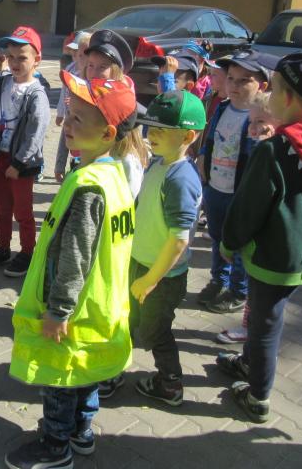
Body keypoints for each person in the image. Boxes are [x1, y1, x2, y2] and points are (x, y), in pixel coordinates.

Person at [5, 71, 137, 469]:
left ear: (108, 133)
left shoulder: (88, 187)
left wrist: (58, 310)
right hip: (100, 308)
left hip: (73, 311)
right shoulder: (114, 176)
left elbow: (75, 255)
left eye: (79, 118)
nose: (66, 123)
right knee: (85, 373)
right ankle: (82, 431)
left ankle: (55, 445)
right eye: (68, 113)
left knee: (60, 378)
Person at [216, 53, 302, 423]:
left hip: (271, 257)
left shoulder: (273, 149)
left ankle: (258, 396)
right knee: (265, 315)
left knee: (264, 327)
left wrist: (229, 242)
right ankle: (249, 363)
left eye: (274, 88)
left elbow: (248, 207)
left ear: (286, 97)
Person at [100, 91, 206, 404]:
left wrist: (150, 280)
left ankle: (170, 384)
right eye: (151, 128)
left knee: (155, 332)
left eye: (161, 130)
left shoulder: (180, 179)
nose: (151, 135)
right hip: (139, 263)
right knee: (127, 319)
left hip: (161, 278)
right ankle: (113, 369)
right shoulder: (159, 163)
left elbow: (179, 239)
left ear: (187, 136)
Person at [196, 50, 271, 315]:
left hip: (240, 194)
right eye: (231, 78)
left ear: (262, 85)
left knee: (238, 243)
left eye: (244, 80)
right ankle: (219, 280)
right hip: (215, 187)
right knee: (217, 238)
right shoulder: (223, 108)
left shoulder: (260, 118)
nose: (234, 85)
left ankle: (239, 291)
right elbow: (211, 138)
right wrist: (203, 156)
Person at [0, 26, 51, 277]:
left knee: (22, 211)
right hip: (0, 156)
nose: (15, 63)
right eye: (10, 57)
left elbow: (36, 132)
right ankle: (2, 247)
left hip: (22, 163)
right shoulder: (4, 82)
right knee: (1, 208)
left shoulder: (36, 94)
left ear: (36, 60)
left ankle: (28, 251)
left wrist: (18, 163)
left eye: (22, 58)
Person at [216, 92, 279, 345]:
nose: (253, 128)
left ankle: (254, 340)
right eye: (251, 122)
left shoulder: (272, 152)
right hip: (256, 240)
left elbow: (255, 199)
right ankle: (249, 332)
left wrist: (232, 240)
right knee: (256, 294)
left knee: (261, 298)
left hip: (264, 242)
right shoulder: (259, 147)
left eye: (260, 121)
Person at [55, 31, 92, 183]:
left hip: (86, 122)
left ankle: (80, 168)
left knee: (82, 146)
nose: (77, 57)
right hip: (70, 114)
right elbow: (63, 92)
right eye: (76, 53)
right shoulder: (70, 70)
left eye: (83, 55)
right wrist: (60, 113)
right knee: (65, 137)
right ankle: (59, 167)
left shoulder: (93, 75)